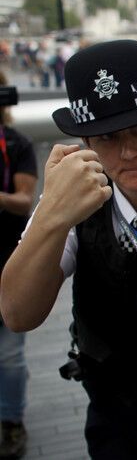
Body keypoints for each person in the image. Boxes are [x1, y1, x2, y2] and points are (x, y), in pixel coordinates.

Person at [0, 40, 137, 459]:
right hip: (112, 420)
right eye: (107, 137)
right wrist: (51, 214)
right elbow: (17, 313)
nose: (127, 152)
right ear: (86, 141)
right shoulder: (71, 210)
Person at [0, 73, 37, 459]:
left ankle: (11, 422)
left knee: (9, 356)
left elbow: (25, 200)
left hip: (7, 258)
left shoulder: (15, 144)